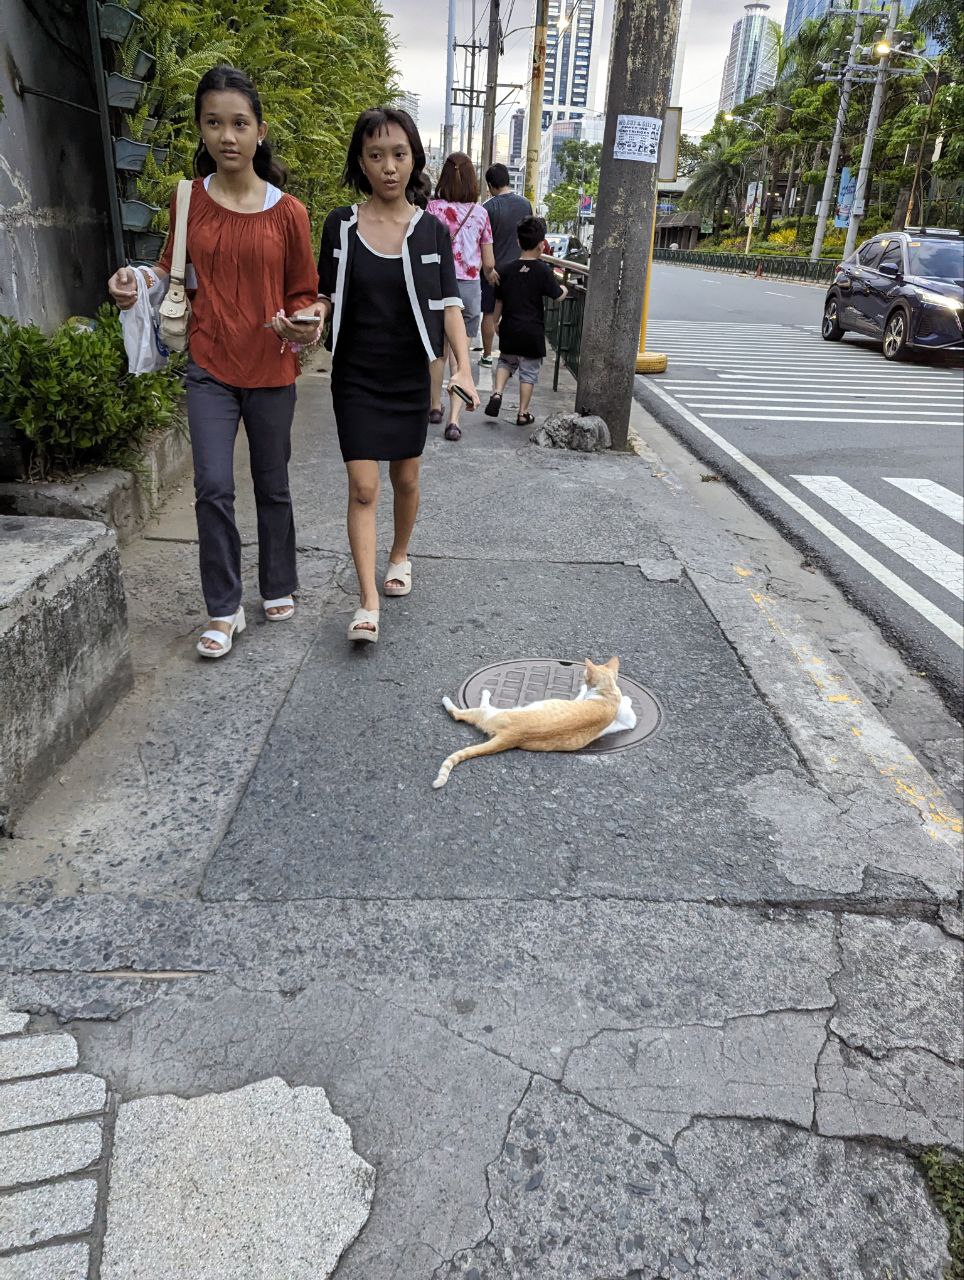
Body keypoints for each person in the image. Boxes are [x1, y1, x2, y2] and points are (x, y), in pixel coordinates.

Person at [107, 65, 321, 660]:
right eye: (214, 123)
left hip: (272, 366)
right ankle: (224, 608)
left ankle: (278, 581)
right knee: (213, 486)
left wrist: (303, 319)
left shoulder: (290, 213)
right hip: (209, 365)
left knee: (273, 484)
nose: (227, 136)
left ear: (260, 131)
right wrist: (136, 281)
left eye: (240, 123)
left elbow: (305, 292)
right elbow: (169, 269)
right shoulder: (189, 200)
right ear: (201, 129)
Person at [316, 108, 479, 644]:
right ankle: (367, 603)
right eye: (376, 155)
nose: (389, 166)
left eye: (399, 154)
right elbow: (324, 295)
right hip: (355, 375)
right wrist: (310, 318)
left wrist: (464, 369)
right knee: (363, 489)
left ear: (414, 160)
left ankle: (400, 554)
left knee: (405, 479)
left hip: (411, 373)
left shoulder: (432, 230)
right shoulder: (340, 226)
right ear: (361, 163)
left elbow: (450, 304)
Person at [426, 154, 494, 440]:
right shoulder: (480, 214)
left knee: (438, 351)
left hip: (437, 286)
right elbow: (488, 262)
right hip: (467, 288)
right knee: (460, 356)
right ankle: (454, 421)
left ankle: (434, 407)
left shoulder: (432, 209)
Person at [484, 216, 567, 427]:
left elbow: (499, 301)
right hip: (532, 331)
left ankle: (497, 392)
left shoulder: (505, 269)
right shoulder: (543, 271)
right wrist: (565, 289)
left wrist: (495, 322)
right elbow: (557, 296)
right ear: (541, 245)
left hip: (510, 327)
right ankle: (523, 413)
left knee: (505, 361)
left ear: (518, 242)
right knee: (528, 373)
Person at [479, 163, 532, 367]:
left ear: (491, 185)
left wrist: (488, 269)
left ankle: (486, 355)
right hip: (519, 270)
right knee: (513, 314)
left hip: (492, 272)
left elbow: (481, 243)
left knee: (489, 313)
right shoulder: (525, 205)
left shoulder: (487, 208)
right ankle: (509, 356)